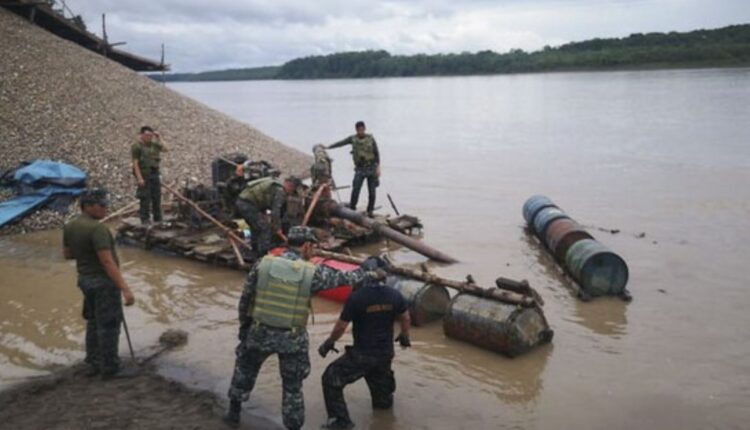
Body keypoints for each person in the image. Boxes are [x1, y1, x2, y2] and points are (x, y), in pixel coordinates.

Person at [224, 226, 372, 429]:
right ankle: (293, 426)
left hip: (259, 331)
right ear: (307, 246)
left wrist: (244, 328)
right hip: (292, 339)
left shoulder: (263, 265)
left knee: (245, 370)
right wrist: (369, 270)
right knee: (292, 387)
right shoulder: (312, 273)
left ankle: (233, 412)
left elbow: (246, 299)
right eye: (313, 247)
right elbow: (345, 278)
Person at [318, 258, 411, 429]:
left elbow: (341, 326)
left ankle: (341, 421)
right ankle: (384, 422)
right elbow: (405, 317)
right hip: (385, 354)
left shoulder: (356, 297)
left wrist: (329, 342)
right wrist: (405, 335)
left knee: (331, 378)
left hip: (362, 355)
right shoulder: (395, 295)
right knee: (383, 403)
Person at [62, 189, 136, 379]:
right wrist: (125, 289)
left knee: (94, 322)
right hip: (103, 282)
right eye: (101, 205)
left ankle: (93, 362)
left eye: (105, 204)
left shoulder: (70, 226)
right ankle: (110, 367)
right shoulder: (98, 229)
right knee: (109, 324)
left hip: (84, 280)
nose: (105, 208)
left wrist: (85, 253)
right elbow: (107, 262)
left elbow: (67, 255)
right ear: (87, 207)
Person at [235, 176, 300, 257]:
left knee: (256, 227)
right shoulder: (280, 192)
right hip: (247, 204)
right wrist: (278, 228)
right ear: (290, 186)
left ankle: (254, 252)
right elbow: (275, 213)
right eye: (292, 190)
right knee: (264, 228)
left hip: (244, 202)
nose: (290, 193)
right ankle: (263, 255)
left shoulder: (276, 186)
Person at [327, 121, 381, 216]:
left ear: (365, 129)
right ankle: (352, 209)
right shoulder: (353, 139)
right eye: (359, 130)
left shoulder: (371, 139)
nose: (360, 131)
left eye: (362, 129)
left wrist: (378, 168)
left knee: (372, 192)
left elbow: (377, 154)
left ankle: (370, 210)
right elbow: (341, 143)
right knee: (356, 189)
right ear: (356, 130)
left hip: (371, 168)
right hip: (360, 169)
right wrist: (328, 147)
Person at [131, 125, 167, 225]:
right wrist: (139, 178)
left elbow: (166, 148)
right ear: (142, 134)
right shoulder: (137, 146)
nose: (149, 137)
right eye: (147, 135)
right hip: (145, 174)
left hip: (155, 173)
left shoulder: (153, 145)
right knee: (145, 198)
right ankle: (145, 220)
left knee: (157, 196)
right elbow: (135, 163)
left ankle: (158, 219)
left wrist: (159, 137)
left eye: (151, 135)